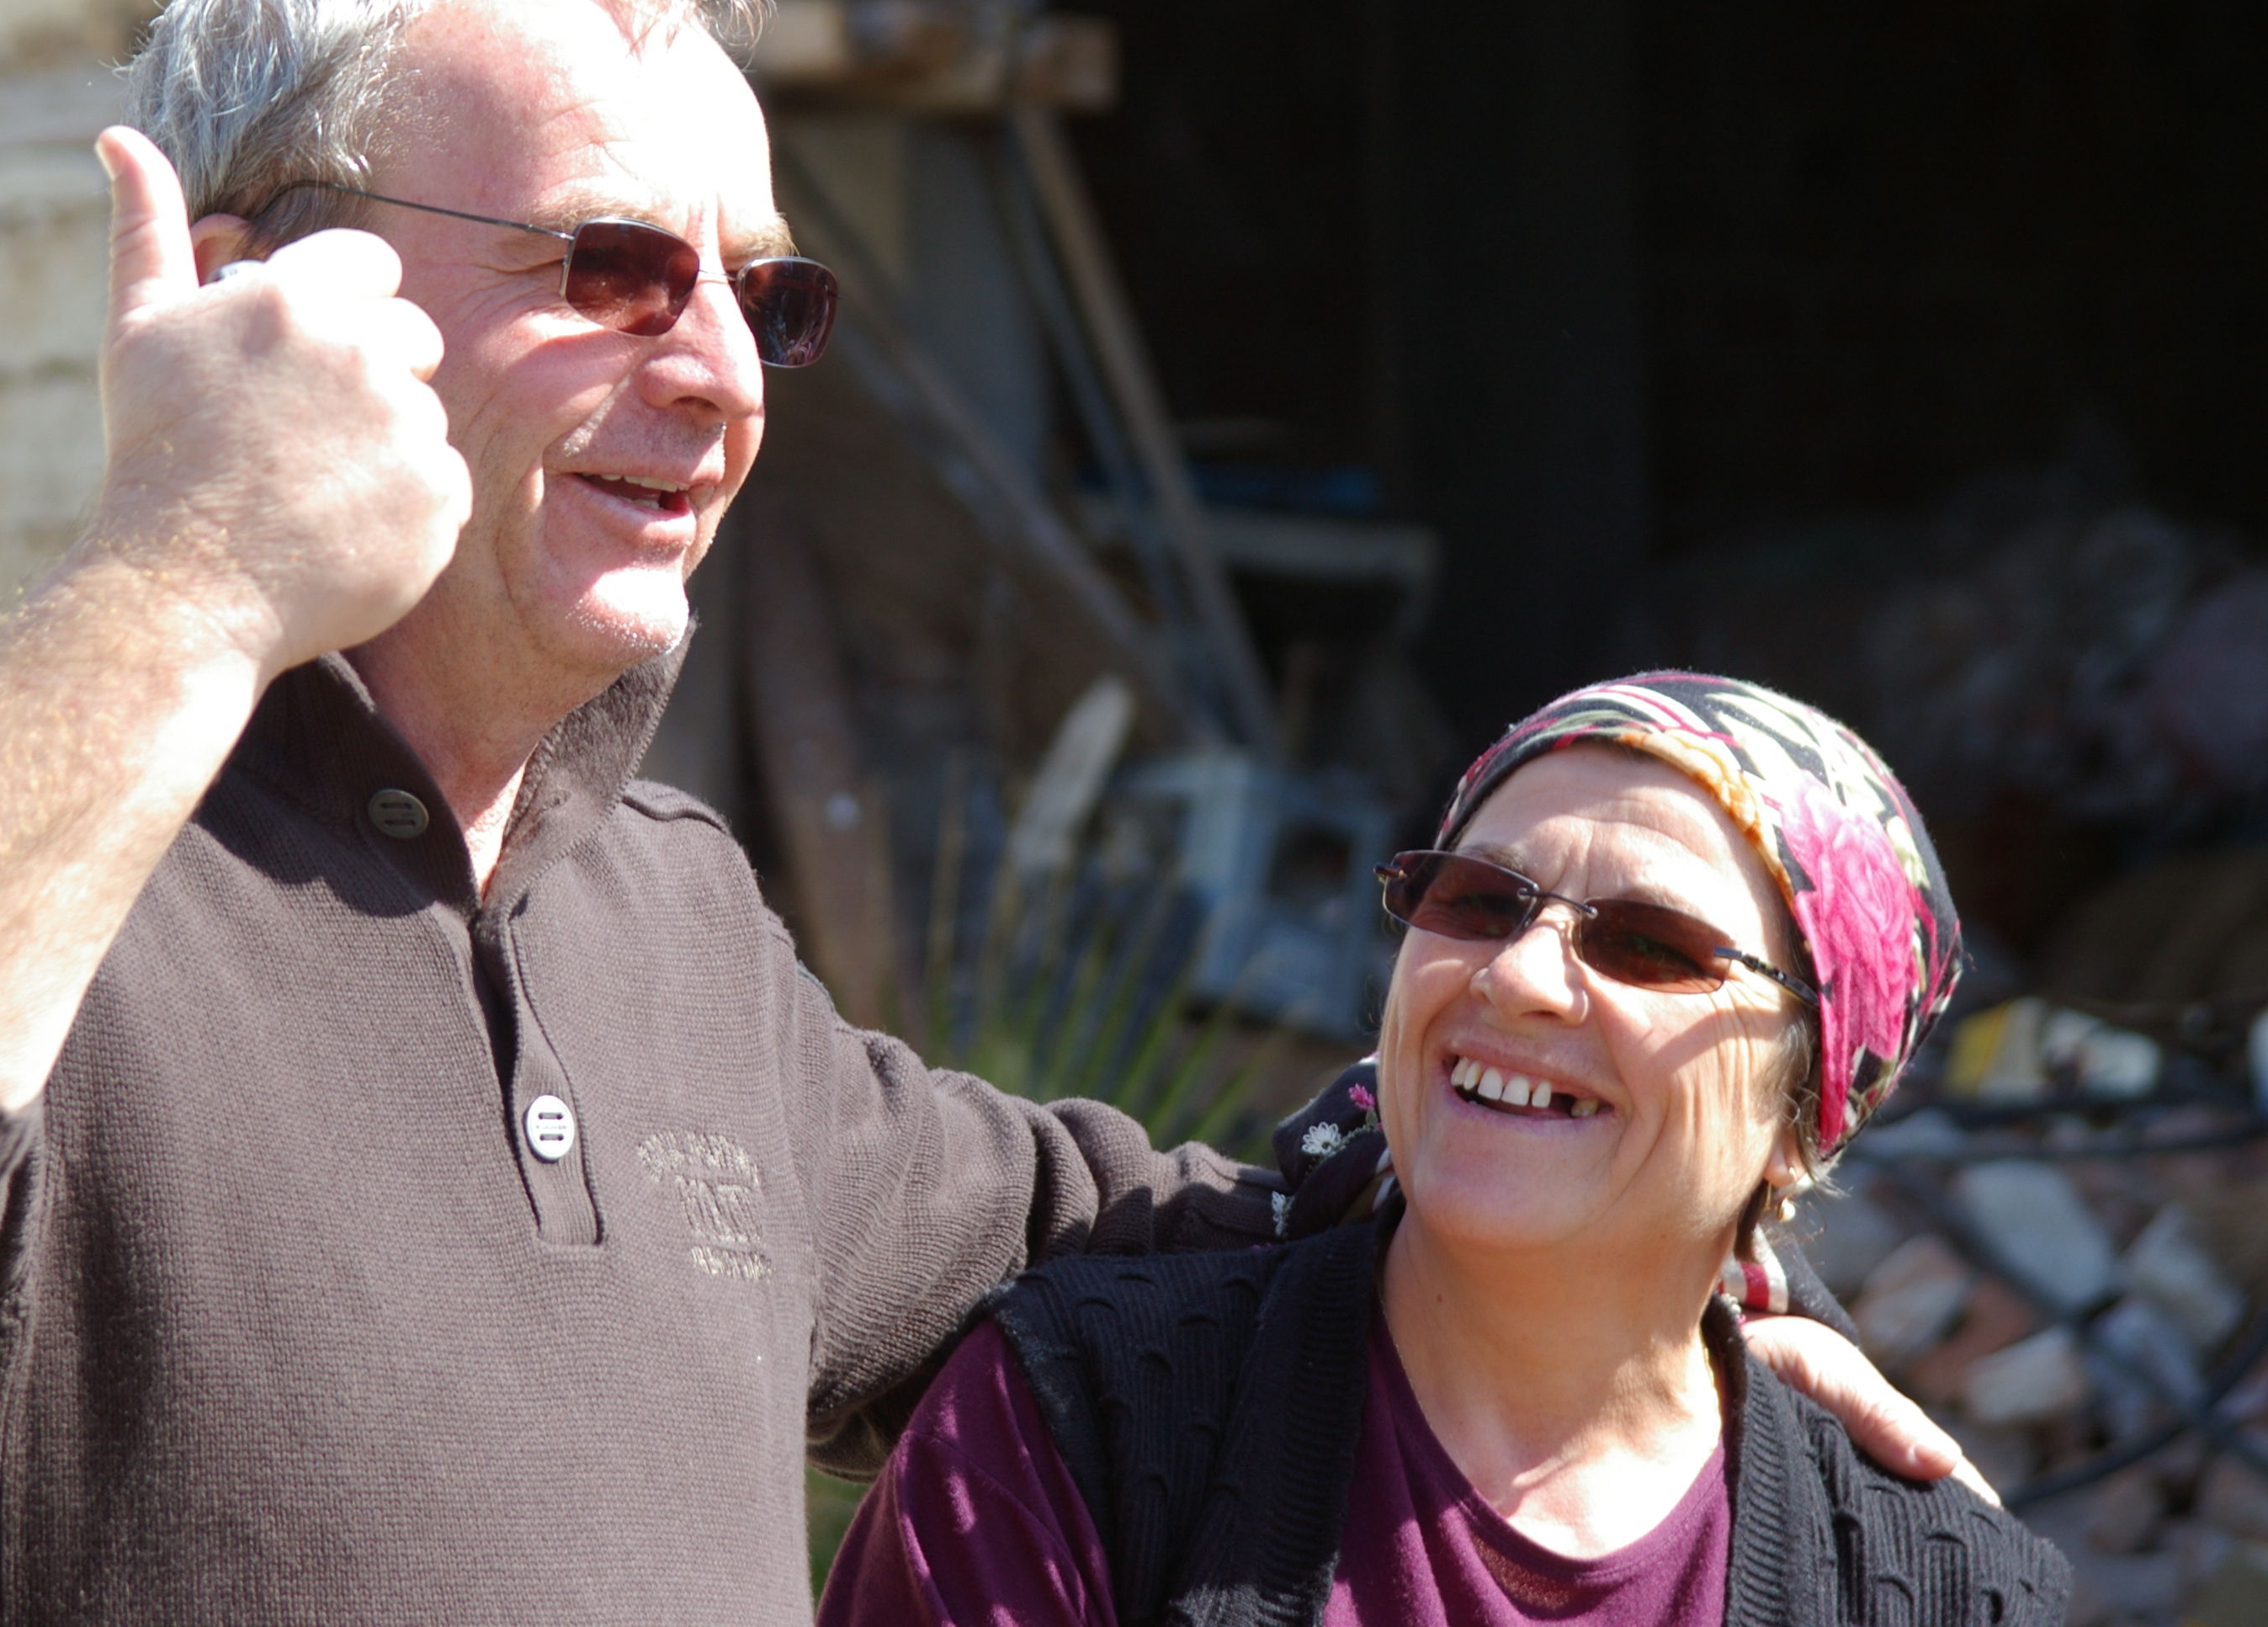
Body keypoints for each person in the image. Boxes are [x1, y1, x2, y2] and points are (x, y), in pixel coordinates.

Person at [0, 0, 1957, 1617]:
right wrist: (189, 573)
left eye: (764, 300)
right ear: (251, 287)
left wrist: (1642, 1277)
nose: (721, 378)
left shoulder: (669, 921)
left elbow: (1133, 1239)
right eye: (613, 269)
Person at [821, 673, 2069, 1627]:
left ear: (1800, 1121)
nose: (1518, 976)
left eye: (1647, 944)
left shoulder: (1938, 1591)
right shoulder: (1083, 1422)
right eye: (1478, 901)